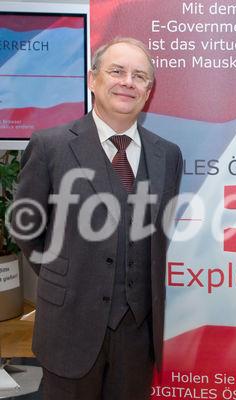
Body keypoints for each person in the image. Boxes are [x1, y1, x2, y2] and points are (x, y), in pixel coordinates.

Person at [11, 37, 182, 399]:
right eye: (116, 71)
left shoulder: (168, 154)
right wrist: (67, 276)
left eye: (139, 76)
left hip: (137, 335)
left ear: (148, 91)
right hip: (69, 326)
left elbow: (158, 236)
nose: (127, 82)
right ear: (92, 80)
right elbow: (28, 228)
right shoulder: (51, 146)